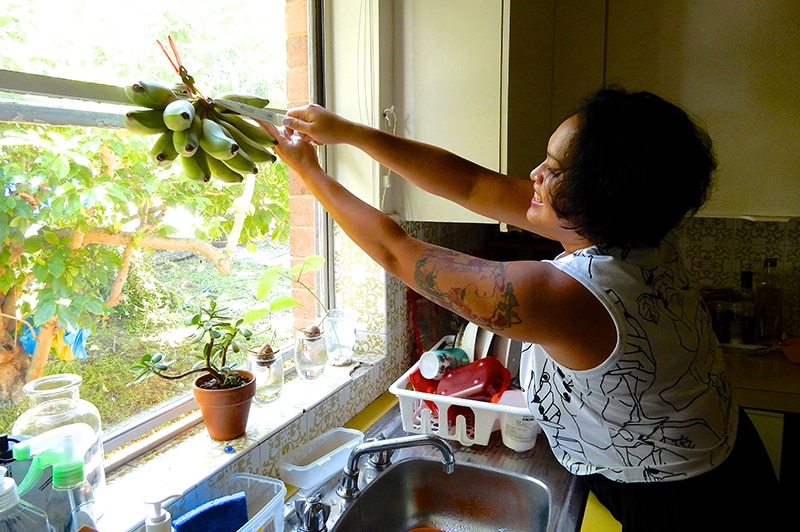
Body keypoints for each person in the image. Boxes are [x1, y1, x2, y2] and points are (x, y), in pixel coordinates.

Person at [262, 87, 784, 530]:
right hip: (719, 457)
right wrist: (352, 132)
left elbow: (399, 252)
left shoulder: (560, 294)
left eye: (554, 169)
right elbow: (473, 185)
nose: (534, 173)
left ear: (596, 195)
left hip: (689, 500)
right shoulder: (638, 234)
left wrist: (307, 171)